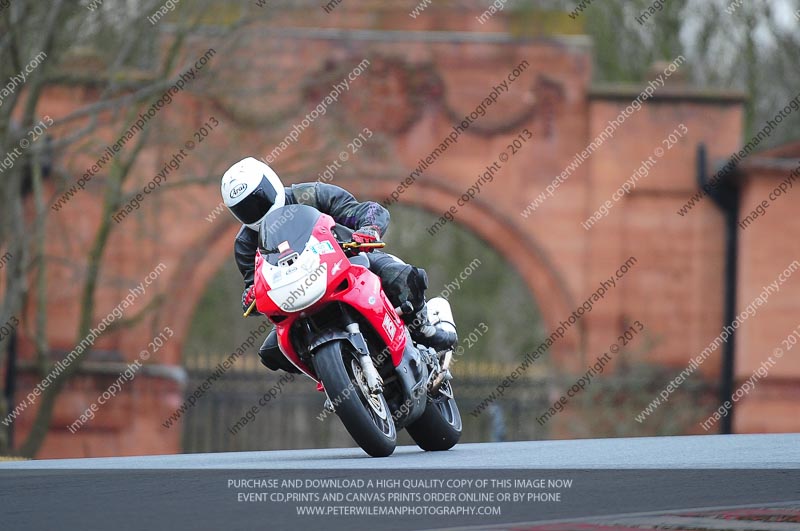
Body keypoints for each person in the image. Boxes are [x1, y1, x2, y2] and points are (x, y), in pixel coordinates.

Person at [221, 157, 456, 374]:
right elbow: (255, 283)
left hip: (348, 264)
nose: (255, 210)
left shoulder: (310, 195)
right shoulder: (245, 244)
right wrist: (251, 293)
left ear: (272, 183)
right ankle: (332, 375)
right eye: (245, 208)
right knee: (272, 353)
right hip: (297, 298)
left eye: (259, 200)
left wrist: (368, 229)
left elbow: (364, 210)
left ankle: (423, 329)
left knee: (401, 277)